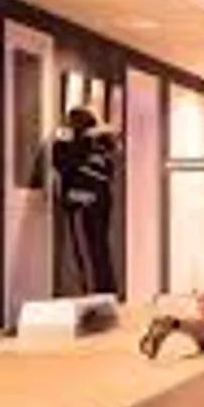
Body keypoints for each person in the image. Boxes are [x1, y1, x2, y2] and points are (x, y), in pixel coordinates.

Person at [51, 107, 119, 294]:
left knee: (89, 251)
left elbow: (62, 163)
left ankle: (94, 291)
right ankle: (104, 291)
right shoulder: (100, 145)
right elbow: (108, 169)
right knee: (99, 249)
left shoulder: (76, 145)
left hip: (85, 202)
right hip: (100, 199)